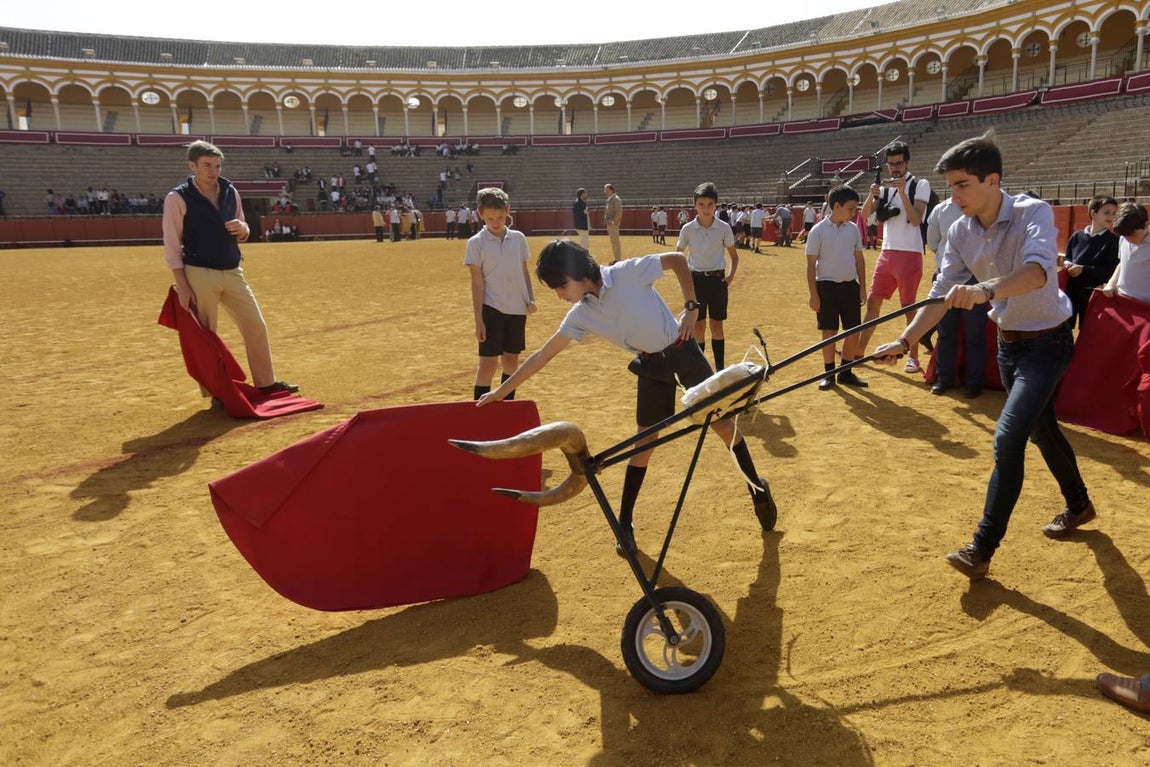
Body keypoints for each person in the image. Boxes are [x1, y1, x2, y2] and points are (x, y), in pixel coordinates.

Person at [872, 133, 1093, 580]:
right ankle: (1079, 504)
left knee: (1009, 438)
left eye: (962, 185)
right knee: (1042, 429)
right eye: (950, 187)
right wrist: (907, 340)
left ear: (993, 181)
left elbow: (1036, 273)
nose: (953, 196)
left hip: (1048, 342)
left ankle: (982, 546)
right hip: (1008, 344)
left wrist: (984, 290)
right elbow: (938, 295)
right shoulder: (958, 228)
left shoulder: (1033, 212)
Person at [476, 239, 777, 554]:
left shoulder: (626, 273)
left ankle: (757, 488)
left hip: (682, 348)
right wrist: (501, 390)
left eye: (560, 286)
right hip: (650, 365)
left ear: (577, 274)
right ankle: (626, 522)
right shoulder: (581, 315)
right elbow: (543, 354)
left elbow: (676, 260)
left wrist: (691, 306)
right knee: (644, 442)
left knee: (723, 426)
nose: (560, 295)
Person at [161, 140, 298, 399]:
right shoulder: (177, 198)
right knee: (206, 336)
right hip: (198, 273)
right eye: (207, 166)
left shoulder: (229, 190)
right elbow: (172, 244)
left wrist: (243, 229)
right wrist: (182, 284)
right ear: (192, 166)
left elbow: (244, 228)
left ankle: (266, 382)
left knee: (255, 325)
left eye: (217, 165)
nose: (214, 171)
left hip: (232, 270)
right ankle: (216, 393)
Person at [858, 141, 932, 374]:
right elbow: (865, 215)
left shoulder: (920, 184)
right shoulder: (885, 188)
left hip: (909, 253)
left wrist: (901, 191)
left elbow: (916, 219)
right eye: (891, 164)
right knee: (873, 302)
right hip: (887, 252)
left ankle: (913, 357)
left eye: (899, 163)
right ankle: (857, 353)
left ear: (907, 162)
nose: (895, 168)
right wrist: (872, 196)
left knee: (908, 307)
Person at [464, 188, 536, 401]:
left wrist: (530, 298)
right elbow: (477, 282)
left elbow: (523, 271)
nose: (496, 223)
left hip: (517, 308)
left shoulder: (519, 239)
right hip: (491, 308)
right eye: (490, 219)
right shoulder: (476, 243)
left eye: (501, 217)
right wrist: (479, 320)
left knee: (512, 360)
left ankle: (507, 405)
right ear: (480, 214)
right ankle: (479, 410)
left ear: (508, 211)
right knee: (488, 363)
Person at [805, 186, 869, 390]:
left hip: (850, 286)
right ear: (837, 206)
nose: (854, 212)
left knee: (853, 331)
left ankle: (846, 371)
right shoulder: (818, 230)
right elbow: (810, 264)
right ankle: (829, 373)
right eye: (851, 208)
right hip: (826, 287)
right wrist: (813, 294)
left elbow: (859, 259)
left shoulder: (853, 229)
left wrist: (862, 287)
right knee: (829, 331)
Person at [926, 196, 987, 398]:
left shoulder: (982, 208)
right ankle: (945, 378)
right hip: (947, 277)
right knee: (945, 332)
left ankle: (974, 381)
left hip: (976, 280)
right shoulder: (940, 210)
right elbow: (933, 244)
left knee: (975, 334)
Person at [677, 182, 738, 371]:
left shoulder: (723, 228)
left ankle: (719, 369)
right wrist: (686, 283)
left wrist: (730, 277)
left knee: (717, 325)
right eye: (701, 204)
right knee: (699, 327)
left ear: (716, 205)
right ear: (694, 205)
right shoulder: (687, 229)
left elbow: (734, 256)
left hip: (717, 281)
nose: (705, 208)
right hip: (696, 282)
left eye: (710, 204)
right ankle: (701, 369)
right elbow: (678, 256)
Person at [1064, 195, 1120, 328]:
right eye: (1106, 212)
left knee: (1087, 331)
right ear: (1093, 213)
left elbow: (1110, 271)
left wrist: (1083, 269)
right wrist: (1067, 263)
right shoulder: (1077, 236)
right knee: (1063, 330)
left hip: (1092, 295)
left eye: (1113, 214)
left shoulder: (1113, 241)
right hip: (1070, 291)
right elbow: (1068, 257)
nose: (1111, 217)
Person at [1101, 201, 1150, 303]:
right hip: (1122, 298)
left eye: (1133, 235)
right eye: (1125, 235)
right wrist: (1111, 283)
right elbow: (1122, 263)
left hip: (1145, 306)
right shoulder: (1123, 237)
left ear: (1146, 224)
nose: (1129, 240)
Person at [603, 183, 623, 263]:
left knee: (615, 242)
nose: (605, 191)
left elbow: (619, 212)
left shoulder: (616, 199)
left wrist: (613, 221)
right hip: (609, 223)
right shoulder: (610, 199)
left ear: (611, 190)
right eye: (604, 190)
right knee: (613, 242)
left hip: (613, 224)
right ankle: (616, 259)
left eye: (607, 189)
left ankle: (618, 260)